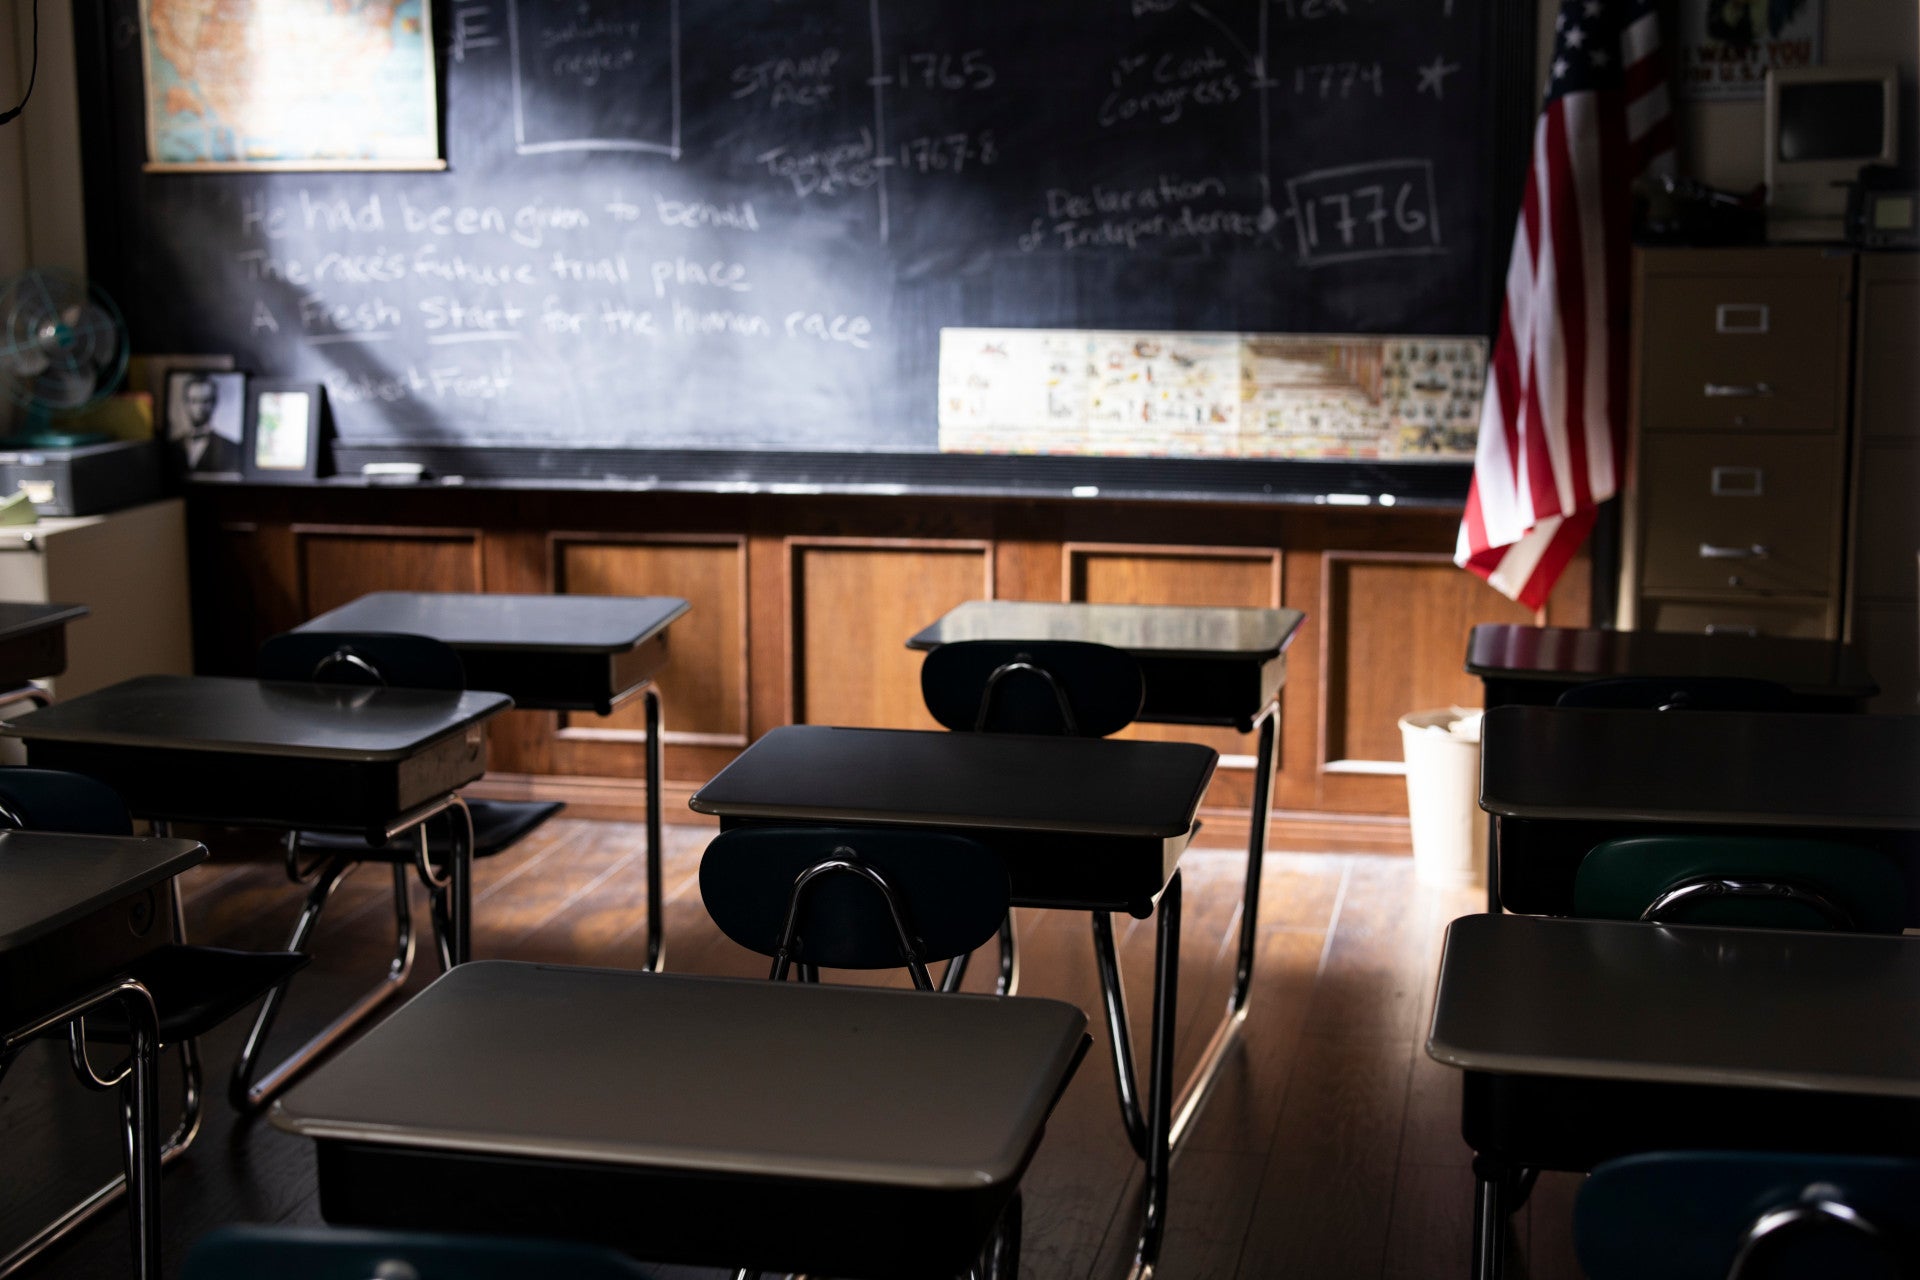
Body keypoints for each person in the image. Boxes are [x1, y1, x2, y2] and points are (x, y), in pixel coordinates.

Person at [171, 373, 241, 473]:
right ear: (186, 403)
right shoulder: (171, 446)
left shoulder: (231, 448)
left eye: (205, 401)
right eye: (194, 401)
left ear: (214, 403)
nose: (200, 407)